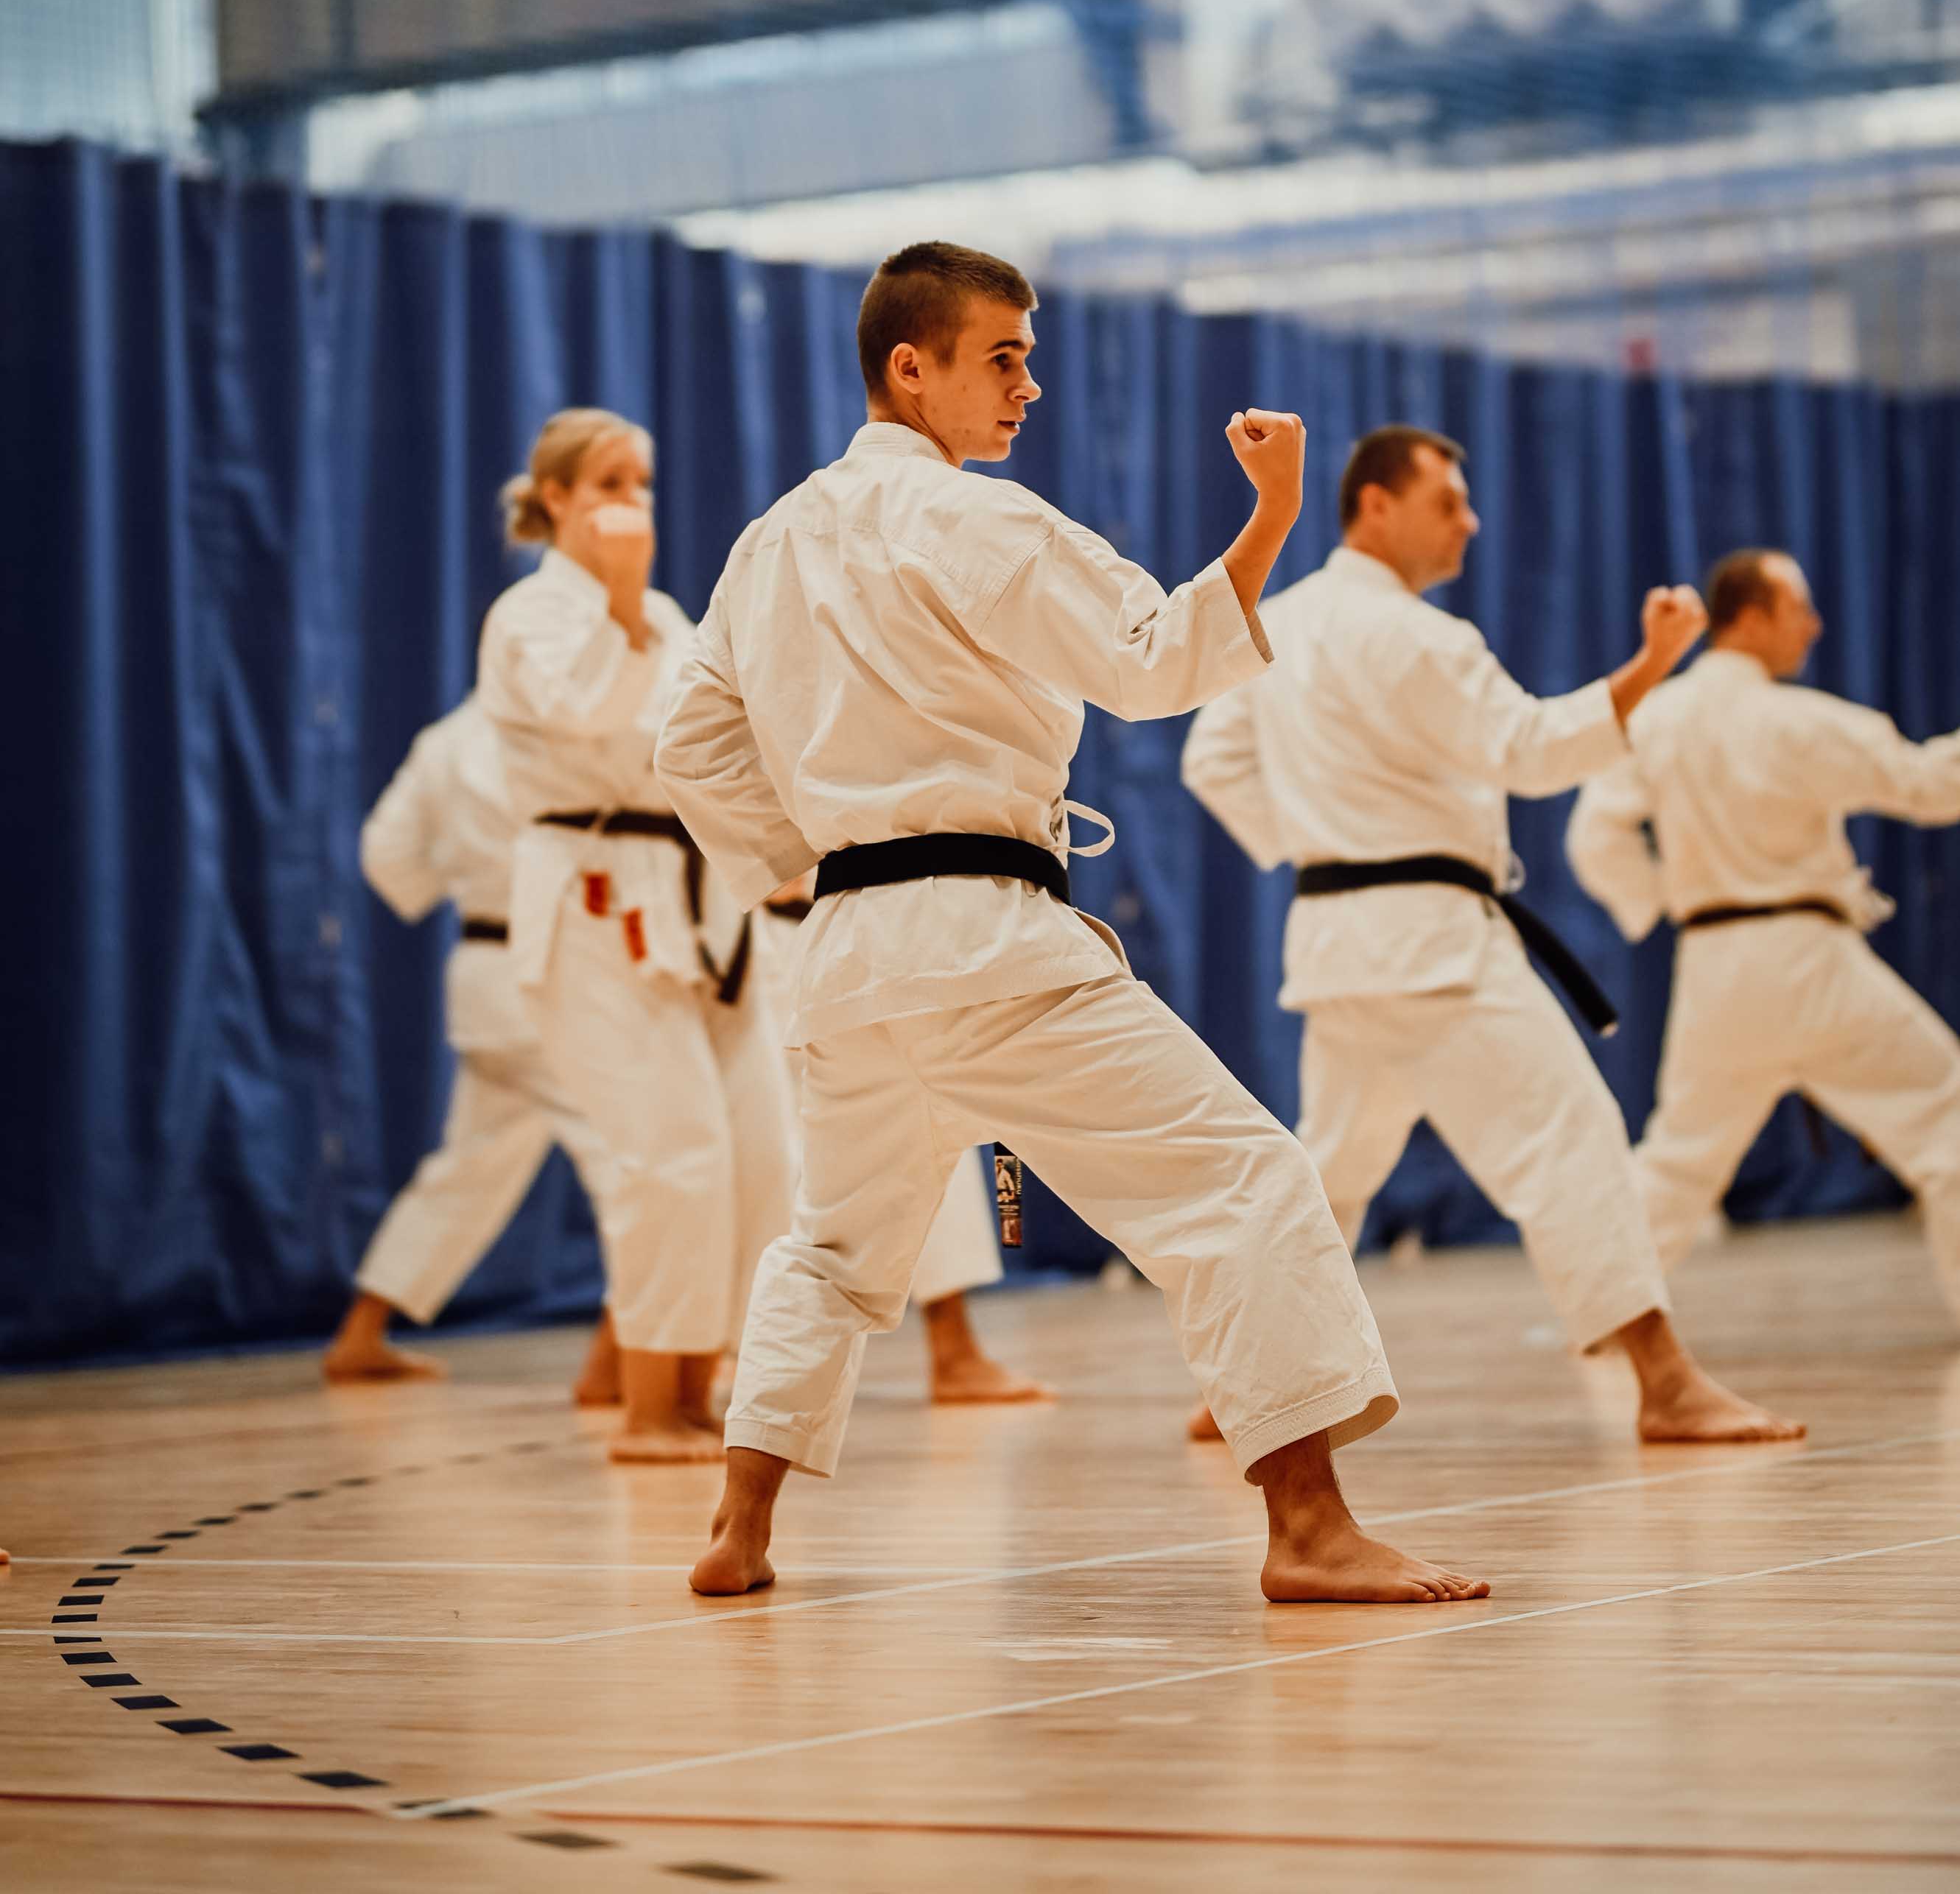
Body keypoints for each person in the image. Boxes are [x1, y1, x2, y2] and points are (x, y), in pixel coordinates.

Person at [658, 242, 1489, 1608]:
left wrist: (792, 862)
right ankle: (1309, 1530)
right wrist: (1271, 514)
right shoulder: (974, 520)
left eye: (1030, 357)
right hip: (987, 940)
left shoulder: (769, 544)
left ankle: (740, 1528)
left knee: (834, 1244)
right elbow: (1158, 660)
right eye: (1003, 358)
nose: (1027, 387)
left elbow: (690, 745)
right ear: (908, 369)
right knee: (1245, 1181)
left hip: (849, 949)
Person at [1181, 423, 1802, 1448]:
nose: (1469, 521)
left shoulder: (1278, 624)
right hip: (1432, 944)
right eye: (1447, 502)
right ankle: (1666, 1384)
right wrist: (1649, 666)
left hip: (1337, 942)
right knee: (1571, 1140)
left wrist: (1323, 839)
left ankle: (1244, 1383)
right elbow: (1528, 750)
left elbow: (1212, 759)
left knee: (1328, 1175)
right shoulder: (1424, 638)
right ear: (1375, 507)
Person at [478, 409, 796, 1463]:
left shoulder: (661, 612)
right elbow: (588, 719)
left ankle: (700, 1392)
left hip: (694, 899)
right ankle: (647, 1408)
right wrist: (619, 598)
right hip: (588, 895)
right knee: (673, 1156)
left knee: (756, 1156)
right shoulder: (529, 617)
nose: (632, 501)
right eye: (610, 480)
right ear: (556, 497)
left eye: (644, 481)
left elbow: (704, 742)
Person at [1567, 547, 1960, 1318]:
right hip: (1812, 960)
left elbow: (1594, 837)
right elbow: (1924, 782)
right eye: (1799, 608)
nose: (1813, 626)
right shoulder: (1801, 721)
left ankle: (1605, 1319)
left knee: (1679, 1165)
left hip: (1715, 962)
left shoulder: (1654, 715)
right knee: (1946, 1117)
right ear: (1752, 616)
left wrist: (1660, 904)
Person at [322, 692, 617, 1395]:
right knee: (639, 1160)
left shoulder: (445, 738)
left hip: (483, 970)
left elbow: (385, 851)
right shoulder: (576, 724)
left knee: (469, 1167)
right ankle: (627, 1364)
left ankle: (361, 1333)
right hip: (559, 970)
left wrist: (454, 885)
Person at [755, 895, 1053, 1406]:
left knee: (930, 1123)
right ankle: (657, 1364)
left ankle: (953, 1349)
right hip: (769, 939)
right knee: (748, 1152)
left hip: (876, 930)